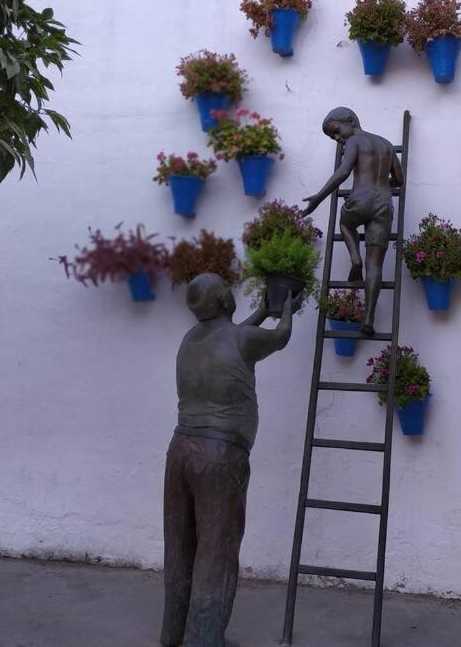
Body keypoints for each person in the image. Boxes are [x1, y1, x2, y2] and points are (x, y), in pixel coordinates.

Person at [161, 273, 299, 647]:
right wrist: (285, 309)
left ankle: (173, 631)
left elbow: (235, 335)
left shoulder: (190, 340)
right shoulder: (242, 339)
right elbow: (279, 337)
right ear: (224, 300)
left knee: (180, 545)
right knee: (215, 549)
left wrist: (261, 310)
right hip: (219, 456)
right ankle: (204, 640)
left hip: (180, 450)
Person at [301, 107, 403, 335]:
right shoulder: (386, 144)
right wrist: (383, 185)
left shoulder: (354, 142)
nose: (337, 139)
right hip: (384, 205)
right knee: (375, 264)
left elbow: (344, 172)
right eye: (333, 138)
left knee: (345, 223)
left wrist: (318, 198)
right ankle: (368, 318)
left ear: (350, 121)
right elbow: (400, 179)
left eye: (336, 131)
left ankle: (355, 258)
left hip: (359, 200)